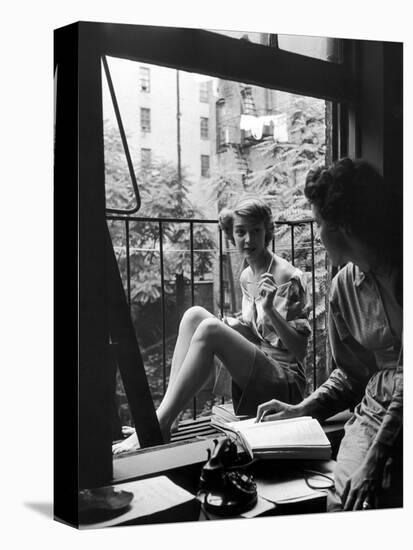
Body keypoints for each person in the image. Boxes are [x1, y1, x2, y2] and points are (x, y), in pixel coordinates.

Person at [256, 158, 403, 512]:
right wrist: (304, 408)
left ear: (346, 226)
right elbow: (353, 374)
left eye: (319, 222)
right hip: (376, 412)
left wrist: (379, 455)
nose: (317, 232)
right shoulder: (343, 289)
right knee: (344, 504)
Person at [113, 197, 311, 454]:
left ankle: (157, 425)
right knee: (195, 315)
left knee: (209, 330)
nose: (248, 240)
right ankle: (166, 418)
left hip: (285, 385)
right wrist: (234, 323)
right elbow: (257, 331)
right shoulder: (246, 275)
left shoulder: (286, 276)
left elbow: (301, 350)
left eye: (256, 231)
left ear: (268, 231)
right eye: (241, 232)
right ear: (231, 234)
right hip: (261, 365)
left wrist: (271, 309)